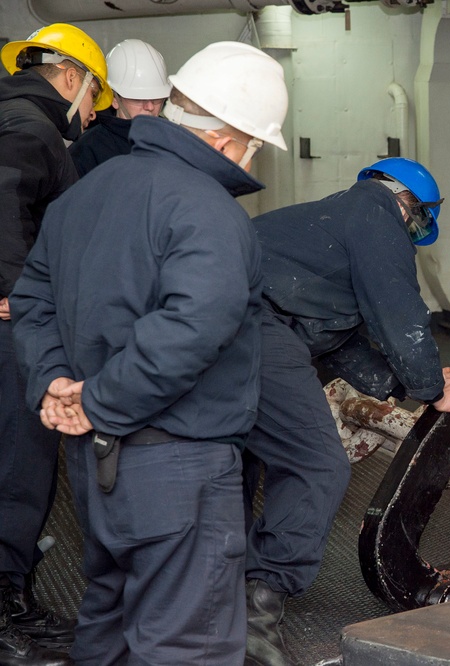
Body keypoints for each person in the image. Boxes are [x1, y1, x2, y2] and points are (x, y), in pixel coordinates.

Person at [9, 41, 289, 664]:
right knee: (187, 639)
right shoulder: (208, 210)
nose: (249, 158)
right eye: (253, 146)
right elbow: (191, 327)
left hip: (95, 467)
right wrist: (101, 402)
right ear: (226, 141)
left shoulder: (88, 189)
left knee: (108, 621)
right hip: (176, 467)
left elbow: (32, 298)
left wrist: (55, 381)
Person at [243, 156, 450, 665]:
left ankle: (218, 589)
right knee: (316, 462)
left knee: (235, 455)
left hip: (224, 322)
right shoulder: (376, 214)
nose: (413, 230)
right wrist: (434, 392)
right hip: (255, 327)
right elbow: (400, 312)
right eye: (418, 219)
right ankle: (256, 611)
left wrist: (422, 383)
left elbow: (339, 340)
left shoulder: (329, 226)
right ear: (407, 203)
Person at [0, 22, 111, 663]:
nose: (93, 112)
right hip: (14, 330)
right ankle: (6, 610)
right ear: (71, 78)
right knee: (20, 467)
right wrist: (18, 293)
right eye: (95, 94)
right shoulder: (32, 128)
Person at [70, 39, 171, 176]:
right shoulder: (87, 151)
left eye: (157, 98)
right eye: (138, 99)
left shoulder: (175, 140)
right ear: (114, 99)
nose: (150, 106)